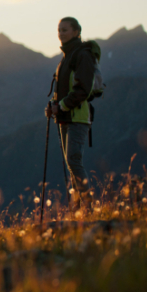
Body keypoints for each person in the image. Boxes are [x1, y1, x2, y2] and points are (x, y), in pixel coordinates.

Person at [45, 17, 93, 209]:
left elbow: (83, 89)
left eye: (65, 30)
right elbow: (64, 89)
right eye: (59, 30)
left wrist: (62, 106)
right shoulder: (66, 58)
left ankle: (87, 206)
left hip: (77, 117)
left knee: (73, 161)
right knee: (71, 163)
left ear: (76, 32)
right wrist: (54, 106)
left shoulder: (82, 55)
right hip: (65, 117)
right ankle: (78, 208)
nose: (61, 34)